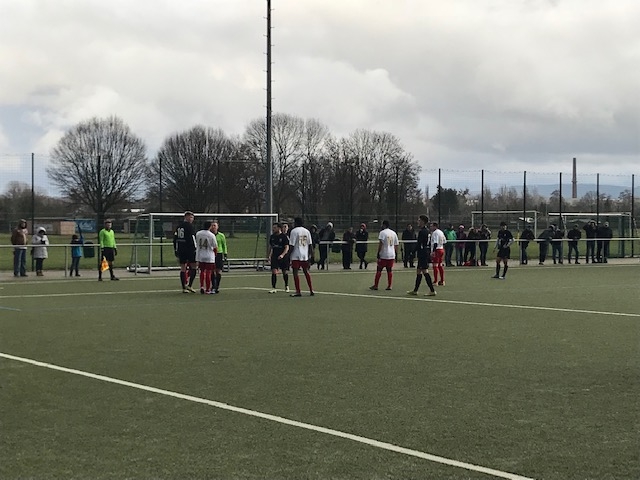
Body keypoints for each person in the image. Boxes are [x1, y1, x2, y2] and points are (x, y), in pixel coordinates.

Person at [406, 215, 436, 296]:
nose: (418, 222)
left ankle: (432, 290)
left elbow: (419, 244)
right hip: (425, 252)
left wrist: (412, 252)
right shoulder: (427, 231)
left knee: (424, 271)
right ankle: (415, 290)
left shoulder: (422, 232)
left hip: (423, 253)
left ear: (422, 221)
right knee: (419, 271)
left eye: (419, 220)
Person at [288, 217, 314, 297]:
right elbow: (310, 245)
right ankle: (311, 290)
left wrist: (288, 255)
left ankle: (298, 291)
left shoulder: (294, 231)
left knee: (295, 273)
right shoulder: (307, 231)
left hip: (296, 255)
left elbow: (292, 245)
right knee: (306, 272)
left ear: (296, 223)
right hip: (305, 255)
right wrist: (312, 255)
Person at [370, 220, 399, 291]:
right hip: (391, 254)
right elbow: (396, 245)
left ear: (384, 225)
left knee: (379, 269)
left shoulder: (382, 233)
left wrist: (378, 253)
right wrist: (396, 253)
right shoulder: (393, 233)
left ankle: (376, 285)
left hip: (384, 254)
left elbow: (381, 243)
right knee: (389, 270)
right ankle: (390, 285)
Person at [173, 211, 197, 292]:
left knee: (183, 268)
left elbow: (175, 239)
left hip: (181, 249)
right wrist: (195, 248)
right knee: (194, 266)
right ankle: (189, 285)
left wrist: (176, 249)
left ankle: (183, 287)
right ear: (186, 217)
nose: (192, 219)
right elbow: (192, 238)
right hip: (189, 249)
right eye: (191, 217)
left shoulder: (179, 226)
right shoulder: (189, 226)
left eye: (192, 218)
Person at [195, 221, 218, 294]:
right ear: (210, 226)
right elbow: (215, 247)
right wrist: (215, 254)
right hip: (209, 256)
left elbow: (197, 243)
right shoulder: (211, 235)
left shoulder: (198, 233)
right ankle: (207, 289)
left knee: (202, 271)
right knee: (208, 272)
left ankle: (202, 286)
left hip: (201, 255)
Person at [268, 222, 290, 293]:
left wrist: (282, 255)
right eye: (273, 228)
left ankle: (286, 285)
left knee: (284, 272)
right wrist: (269, 256)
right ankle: (273, 288)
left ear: (279, 228)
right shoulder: (272, 237)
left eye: (275, 228)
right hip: (275, 256)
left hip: (283, 257)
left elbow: (287, 247)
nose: (273, 229)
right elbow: (271, 247)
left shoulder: (284, 237)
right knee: (274, 271)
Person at [212, 221, 227, 293]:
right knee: (212, 271)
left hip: (219, 254)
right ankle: (213, 286)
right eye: (212, 225)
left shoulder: (221, 235)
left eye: (215, 225)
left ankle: (217, 286)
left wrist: (225, 254)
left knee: (218, 270)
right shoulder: (210, 235)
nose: (213, 227)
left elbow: (224, 245)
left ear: (217, 227)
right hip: (211, 254)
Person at [430, 222, 446, 286]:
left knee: (435, 265)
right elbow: (444, 241)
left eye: (431, 226)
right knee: (440, 265)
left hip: (437, 250)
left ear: (435, 226)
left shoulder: (435, 233)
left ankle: (435, 281)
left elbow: (435, 243)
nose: (431, 227)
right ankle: (442, 280)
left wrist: (433, 251)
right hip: (441, 249)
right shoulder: (441, 232)